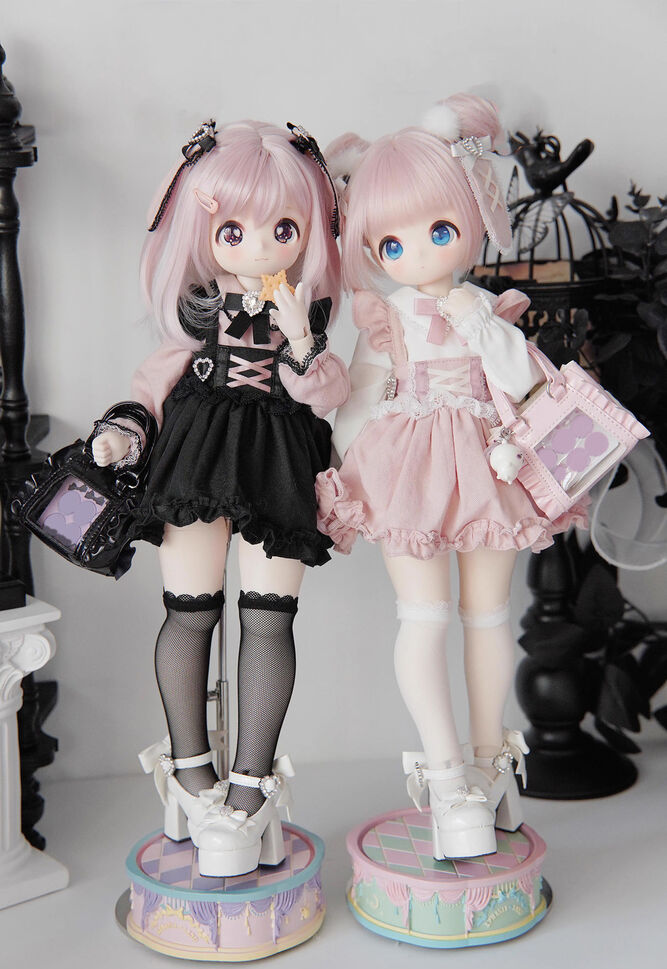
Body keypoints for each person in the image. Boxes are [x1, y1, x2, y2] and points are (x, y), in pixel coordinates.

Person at [316, 94, 586, 859]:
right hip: (407, 470)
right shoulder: (385, 316)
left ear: (470, 215)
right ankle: (445, 775)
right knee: (424, 617)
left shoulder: (484, 308)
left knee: (488, 615)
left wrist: (479, 323)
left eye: (439, 230)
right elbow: (361, 400)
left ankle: (489, 761)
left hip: (488, 463)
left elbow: (524, 383)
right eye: (391, 241)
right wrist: (347, 475)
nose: (419, 252)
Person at [92, 119, 349, 877]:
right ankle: (189, 768)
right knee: (189, 611)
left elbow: (324, 393)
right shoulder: (198, 317)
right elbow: (153, 387)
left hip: (278, 464)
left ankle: (250, 785)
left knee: (268, 618)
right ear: (201, 234)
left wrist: (299, 336)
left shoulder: (308, 314)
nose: (259, 245)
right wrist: (121, 434)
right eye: (233, 230)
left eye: (282, 228)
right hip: (196, 460)